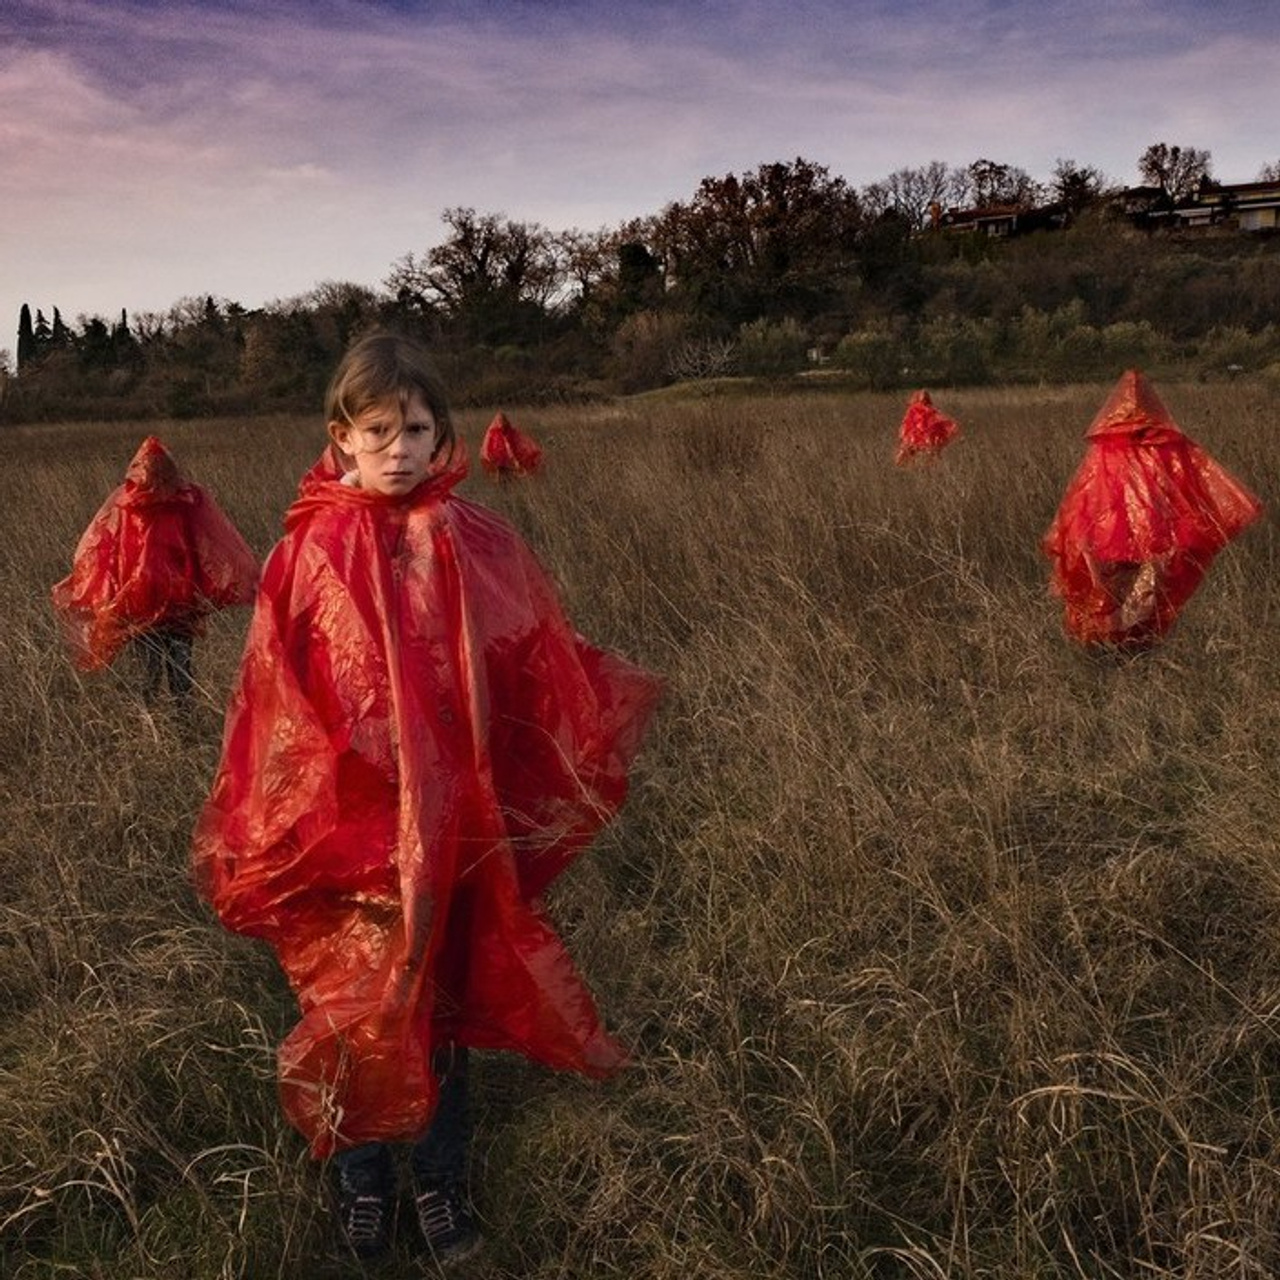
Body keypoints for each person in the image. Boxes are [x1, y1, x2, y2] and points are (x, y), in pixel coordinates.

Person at [192, 330, 660, 1263]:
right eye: (379, 429)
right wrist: (305, 816)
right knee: (359, 999)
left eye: (416, 428)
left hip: (453, 823)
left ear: (440, 433)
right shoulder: (306, 554)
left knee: (441, 998)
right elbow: (273, 704)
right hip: (350, 833)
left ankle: (443, 1183)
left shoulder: (473, 540)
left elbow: (524, 657)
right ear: (341, 436)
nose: (400, 448)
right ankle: (362, 1182)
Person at [1042, 368, 1262, 649]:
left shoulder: (1113, 450)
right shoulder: (1149, 449)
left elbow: (1085, 504)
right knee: (1139, 596)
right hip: (1148, 540)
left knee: (1124, 597)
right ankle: (1126, 646)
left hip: (1122, 543)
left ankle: (1118, 647)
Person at [51, 435, 258, 705]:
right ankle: (177, 726)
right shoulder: (179, 501)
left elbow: (103, 553)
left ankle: (159, 726)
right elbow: (212, 545)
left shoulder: (132, 504)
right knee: (177, 671)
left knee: (153, 672)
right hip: (172, 604)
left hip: (146, 604)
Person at [895, 389, 960, 466]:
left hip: (914, 437)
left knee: (909, 451)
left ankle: (903, 464)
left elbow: (906, 425)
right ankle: (929, 465)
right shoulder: (928, 410)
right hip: (925, 438)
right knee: (930, 453)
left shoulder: (914, 409)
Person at [480, 410, 544, 479]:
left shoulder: (509, 435)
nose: (502, 426)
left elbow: (515, 449)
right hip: (502, 461)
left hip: (507, 462)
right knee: (503, 474)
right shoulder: (496, 435)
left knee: (506, 475)